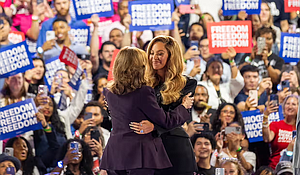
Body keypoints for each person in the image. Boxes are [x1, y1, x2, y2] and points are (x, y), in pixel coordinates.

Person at [100, 46, 193, 175]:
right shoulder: (143, 92)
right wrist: (183, 108)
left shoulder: (109, 92)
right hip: (140, 155)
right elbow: (165, 121)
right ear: (139, 66)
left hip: (115, 154)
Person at [130, 36, 198, 175]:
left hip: (175, 149)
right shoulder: (143, 84)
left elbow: (178, 119)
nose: (154, 57)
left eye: (160, 53)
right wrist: (179, 110)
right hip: (148, 149)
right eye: (152, 53)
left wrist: (154, 126)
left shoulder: (187, 83)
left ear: (171, 56)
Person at [262, 95, 299, 169]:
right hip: (276, 167)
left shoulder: (298, 127)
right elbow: (267, 138)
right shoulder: (276, 125)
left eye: (293, 104)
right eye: (287, 104)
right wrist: (265, 116)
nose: (290, 107)